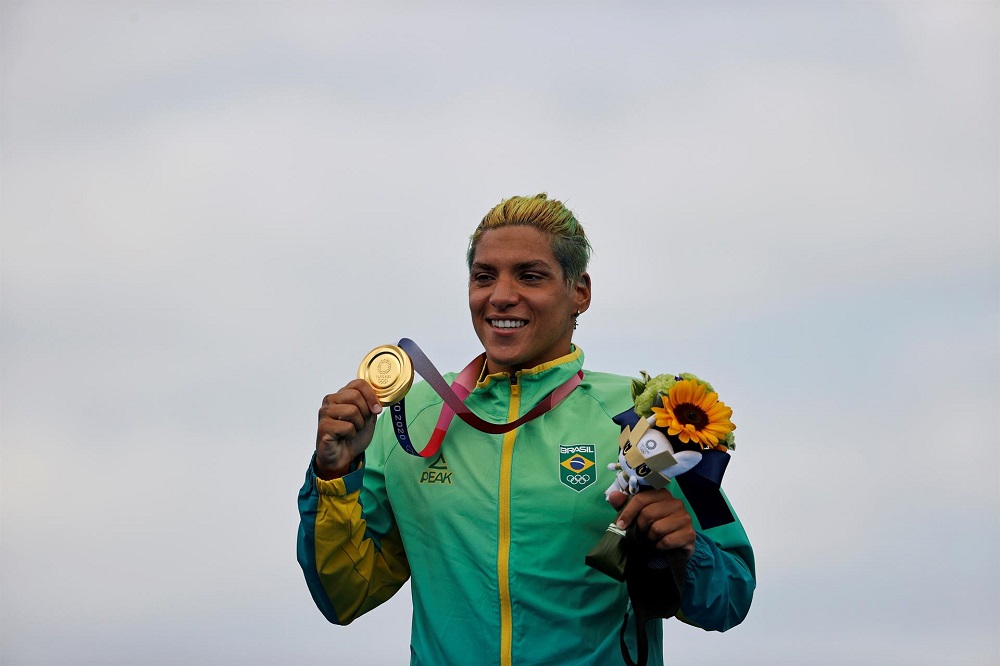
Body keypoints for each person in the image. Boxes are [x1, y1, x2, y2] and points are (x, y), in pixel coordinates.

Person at [297, 194, 755, 666]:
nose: (500, 295)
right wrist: (335, 475)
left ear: (580, 291)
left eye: (530, 276)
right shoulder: (407, 419)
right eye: (484, 276)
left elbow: (731, 597)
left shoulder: (650, 414)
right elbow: (343, 597)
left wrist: (689, 550)